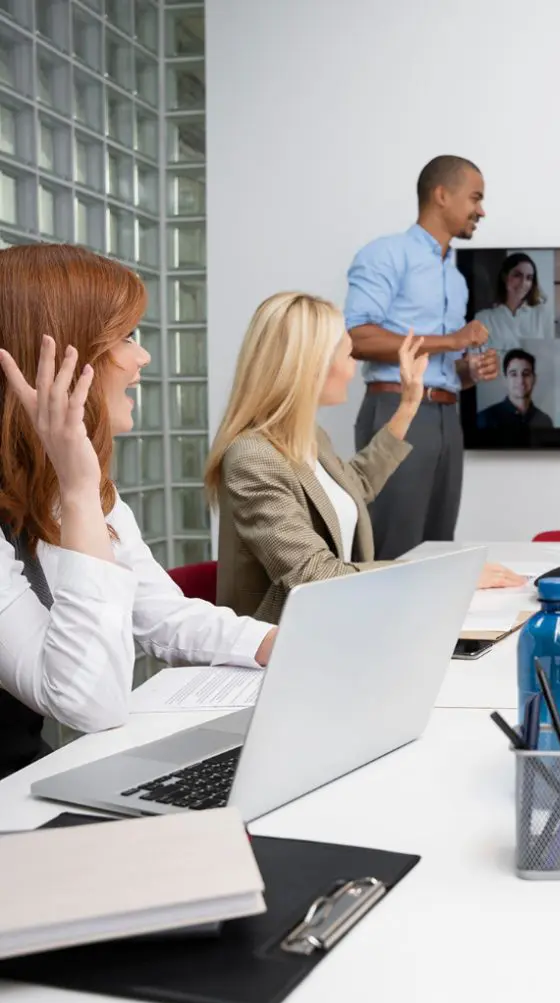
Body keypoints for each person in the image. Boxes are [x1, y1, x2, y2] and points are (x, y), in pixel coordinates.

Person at [0, 244, 277, 779]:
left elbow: (160, 614)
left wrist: (276, 643)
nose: (142, 356)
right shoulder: (78, 486)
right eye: (126, 337)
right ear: (59, 359)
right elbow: (90, 704)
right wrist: (80, 490)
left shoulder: (74, 482)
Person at [206, 294, 524, 623]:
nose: (353, 368)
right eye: (348, 355)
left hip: (337, 624)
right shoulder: (253, 458)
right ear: (312, 365)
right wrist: (448, 574)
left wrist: (408, 406)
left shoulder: (309, 437)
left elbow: (354, 484)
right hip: (283, 650)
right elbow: (315, 575)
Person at [345, 155, 500, 560]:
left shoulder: (456, 277)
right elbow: (356, 337)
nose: (481, 211)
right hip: (397, 411)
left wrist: (468, 370)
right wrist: (452, 341)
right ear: (442, 195)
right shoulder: (386, 254)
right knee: (393, 549)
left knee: (436, 550)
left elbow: (442, 367)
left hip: (448, 416)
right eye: (475, 198)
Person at [473, 252, 551, 345]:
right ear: (504, 277)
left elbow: (550, 355)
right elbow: (478, 356)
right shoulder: (484, 319)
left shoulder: (542, 315)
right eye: (517, 275)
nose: (523, 283)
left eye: (529, 278)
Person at [476, 348, 554, 431]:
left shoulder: (545, 421)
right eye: (513, 374)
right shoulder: (485, 419)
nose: (521, 381)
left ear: (534, 379)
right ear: (505, 380)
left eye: (526, 374)